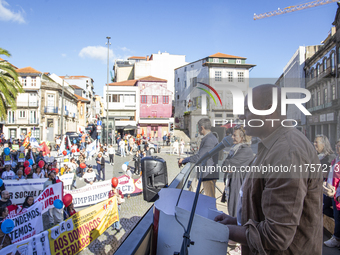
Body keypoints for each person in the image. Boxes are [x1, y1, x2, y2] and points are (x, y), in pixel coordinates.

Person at [214, 84, 323, 254]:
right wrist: (236, 222)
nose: (242, 116)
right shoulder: (271, 145)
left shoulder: (287, 151)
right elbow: (267, 211)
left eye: (247, 110)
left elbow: (276, 235)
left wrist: (225, 231)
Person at [178, 118, 219, 198]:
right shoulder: (210, 137)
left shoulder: (209, 139)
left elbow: (199, 157)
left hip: (208, 174)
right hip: (208, 173)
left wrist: (184, 160)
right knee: (207, 198)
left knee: (209, 199)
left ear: (202, 127)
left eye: (198, 127)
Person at [323, 138, 340, 247]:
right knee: (325, 209)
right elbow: (330, 174)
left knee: (337, 215)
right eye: (337, 145)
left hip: (336, 193)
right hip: (329, 191)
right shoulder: (336, 160)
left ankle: (336, 238)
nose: (338, 148)